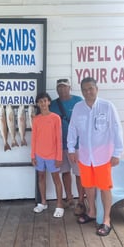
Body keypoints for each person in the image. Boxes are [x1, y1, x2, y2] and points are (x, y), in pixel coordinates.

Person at [68, 77, 123, 236]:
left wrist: (117, 152)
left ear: (96, 89)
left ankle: (106, 220)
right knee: (89, 187)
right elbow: (72, 129)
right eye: (84, 89)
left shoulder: (107, 106)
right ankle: (92, 212)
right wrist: (71, 148)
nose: (87, 92)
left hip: (103, 156)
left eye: (90, 88)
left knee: (105, 188)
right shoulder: (78, 108)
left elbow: (116, 129)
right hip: (85, 156)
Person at [50, 78, 85, 216]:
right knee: (65, 172)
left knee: (79, 174)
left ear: (70, 87)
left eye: (64, 87)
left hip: (76, 145)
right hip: (60, 146)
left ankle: (81, 201)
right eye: (59, 87)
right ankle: (69, 198)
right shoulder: (52, 104)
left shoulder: (78, 100)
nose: (62, 89)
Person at [31, 92, 64, 218]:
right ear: (38, 104)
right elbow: (34, 138)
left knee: (56, 179)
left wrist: (59, 156)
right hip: (39, 154)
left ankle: (59, 204)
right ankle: (43, 202)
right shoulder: (36, 119)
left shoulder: (56, 118)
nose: (43, 104)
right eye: (40, 102)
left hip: (53, 155)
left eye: (45, 101)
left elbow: (58, 139)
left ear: (49, 102)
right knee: (41, 177)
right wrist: (33, 155)